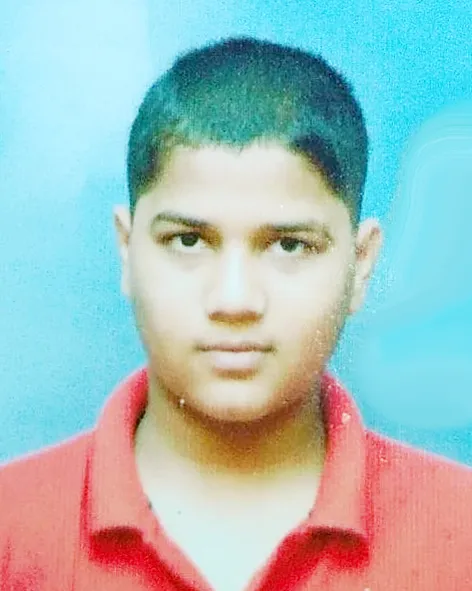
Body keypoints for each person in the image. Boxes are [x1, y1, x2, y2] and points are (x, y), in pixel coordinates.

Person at [0, 36, 471, 591]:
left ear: (360, 266)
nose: (234, 300)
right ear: (127, 250)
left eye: (289, 245)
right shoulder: (13, 527)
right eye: (188, 241)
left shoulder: (457, 531)